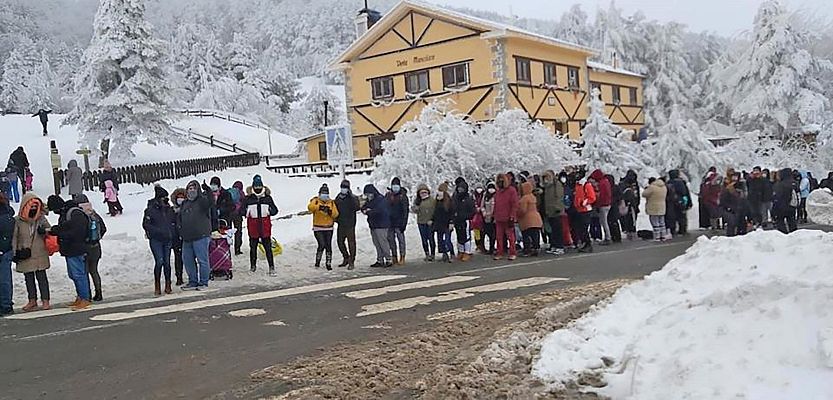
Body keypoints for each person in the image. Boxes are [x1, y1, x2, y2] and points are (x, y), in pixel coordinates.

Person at [46, 195, 92, 310]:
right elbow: (66, 227)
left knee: (79, 274)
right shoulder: (67, 213)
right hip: (70, 249)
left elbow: (76, 232)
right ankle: (81, 297)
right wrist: (54, 231)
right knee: (74, 275)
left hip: (76, 249)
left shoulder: (74, 213)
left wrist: (60, 235)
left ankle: (85, 298)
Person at [12, 192, 51, 311]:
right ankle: (32, 300)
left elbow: (50, 231)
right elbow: (14, 237)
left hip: (39, 253)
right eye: (31, 206)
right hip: (25, 253)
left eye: (35, 206)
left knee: (42, 277)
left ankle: (45, 300)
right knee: (28, 278)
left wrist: (44, 231)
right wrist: (15, 253)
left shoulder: (41, 218)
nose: (33, 209)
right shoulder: (18, 221)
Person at [178, 180, 214, 289]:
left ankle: (203, 282)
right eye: (190, 188)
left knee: (202, 260)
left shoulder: (202, 201)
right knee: (187, 260)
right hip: (187, 237)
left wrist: (208, 190)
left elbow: (210, 203)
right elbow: (180, 218)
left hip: (201, 235)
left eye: (194, 188)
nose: (192, 190)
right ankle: (192, 281)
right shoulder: (185, 203)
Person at [143, 186, 176, 295]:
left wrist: (172, 233)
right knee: (159, 261)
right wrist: (158, 231)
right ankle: (157, 285)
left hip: (167, 239)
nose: (165, 200)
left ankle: (168, 284)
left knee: (167, 262)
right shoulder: (150, 210)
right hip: (156, 240)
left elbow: (173, 222)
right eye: (163, 198)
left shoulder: (169, 210)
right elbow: (146, 224)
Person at [245, 175, 278, 275]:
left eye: (259, 187)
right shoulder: (249, 198)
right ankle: (253, 266)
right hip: (253, 227)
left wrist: (269, 210)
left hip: (265, 227)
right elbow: (241, 211)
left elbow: (275, 210)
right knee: (253, 248)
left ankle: (271, 267)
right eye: (256, 187)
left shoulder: (267, 198)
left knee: (268, 248)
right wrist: (246, 211)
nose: (258, 189)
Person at [75, 194, 106, 301]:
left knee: (85, 272)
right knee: (94, 271)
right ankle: (99, 292)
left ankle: (86, 294)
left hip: (85, 247)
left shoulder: (79, 214)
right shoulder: (94, 214)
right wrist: (97, 238)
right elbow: (103, 228)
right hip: (96, 247)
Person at [308, 184, 339, 270]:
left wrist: (329, 211)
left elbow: (336, 214)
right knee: (321, 244)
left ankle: (328, 263)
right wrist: (320, 207)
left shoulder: (331, 202)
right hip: (318, 227)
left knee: (328, 245)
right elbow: (310, 208)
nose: (324, 195)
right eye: (323, 193)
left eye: (326, 193)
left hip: (329, 227)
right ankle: (317, 261)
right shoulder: (315, 201)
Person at [362, 184, 392, 267]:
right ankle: (380, 259)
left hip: (381, 225)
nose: (368, 196)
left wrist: (368, 211)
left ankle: (388, 259)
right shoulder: (369, 201)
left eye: (369, 194)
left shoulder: (380, 199)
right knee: (377, 243)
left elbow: (379, 211)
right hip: (373, 225)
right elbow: (363, 207)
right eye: (366, 194)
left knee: (383, 243)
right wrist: (366, 210)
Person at [493, 174, 519, 261]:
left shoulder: (511, 191)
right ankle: (499, 252)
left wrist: (512, 216)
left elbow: (514, 204)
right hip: (498, 218)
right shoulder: (497, 192)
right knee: (499, 236)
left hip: (508, 217)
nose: (500, 182)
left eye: (502, 181)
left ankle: (512, 252)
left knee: (510, 236)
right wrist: (494, 215)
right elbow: (496, 205)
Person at [334, 180, 360, 269]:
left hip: (350, 224)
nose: (343, 189)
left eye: (345, 187)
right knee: (340, 242)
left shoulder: (352, 198)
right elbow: (335, 208)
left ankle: (352, 261)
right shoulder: (338, 197)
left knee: (351, 243)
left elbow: (357, 207)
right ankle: (346, 257)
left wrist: (351, 196)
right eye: (342, 187)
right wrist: (336, 219)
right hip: (341, 223)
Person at [540, 170, 565, 255]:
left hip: (555, 210)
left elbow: (559, 196)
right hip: (549, 210)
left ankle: (560, 246)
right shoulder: (547, 186)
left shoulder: (556, 184)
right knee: (552, 230)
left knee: (557, 229)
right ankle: (554, 245)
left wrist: (558, 207)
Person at [452, 177, 475, 261]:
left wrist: (466, 216)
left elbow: (472, 210)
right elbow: (453, 208)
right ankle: (461, 251)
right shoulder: (455, 198)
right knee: (459, 236)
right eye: (459, 189)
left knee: (466, 236)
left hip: (465, 220)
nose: (460, 190)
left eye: (462, 189)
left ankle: (467, 252)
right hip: (457, 220)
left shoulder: (468, 198)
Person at [386, 177, 408, 265]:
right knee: (391, 240)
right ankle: (394, 256)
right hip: (390, 222)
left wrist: (404, 223)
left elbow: (405, 211)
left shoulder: (403, 196)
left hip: (400, 222)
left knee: (401, 240)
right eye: (393, 185)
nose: (395, 187)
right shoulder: (388, 195)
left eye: (396, 185)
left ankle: (402, 256)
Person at [412, 184, 436, 262]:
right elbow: (414, 210)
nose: (423, 194)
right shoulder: (418, 201)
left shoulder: (432, 200)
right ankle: (427, 254)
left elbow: (436, 211)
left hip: (430, 222)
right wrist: (415, 208)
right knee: (424, 239)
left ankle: (432, 254)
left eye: (425, 192)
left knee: (431, 239)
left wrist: (432, 220)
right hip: (421, 222)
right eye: (421, 193)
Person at [573, 170, 597, 252]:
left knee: (584, 228)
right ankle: (585, 243)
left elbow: (592, 197)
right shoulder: (578, 185)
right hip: (579, 210)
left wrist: (583, 203)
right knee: (580, 228)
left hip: (586, 210)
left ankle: (588, 244)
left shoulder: (586, 185)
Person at [518, 181, 543, 257]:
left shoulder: (524, 198)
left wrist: (518, 215)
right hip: (536, 218)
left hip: (527, 219)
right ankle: (536, 248)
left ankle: (527, 249)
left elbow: (523, 210)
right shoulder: (533, 197)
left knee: (526, 235)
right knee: (535, 234)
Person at [0, 194, 15, 317]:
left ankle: (5, 305)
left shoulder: (4, 216)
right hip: (5, 250)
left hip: (4, 251)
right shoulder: (6, 213)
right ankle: (5, 304)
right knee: (4, 279)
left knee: (4, 279)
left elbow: (6, 236)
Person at [432, 182, 454, 263]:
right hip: (439, 223)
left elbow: (451, 212)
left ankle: (451, 253)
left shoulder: (448, 201)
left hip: (447, 223)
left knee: (447, 240)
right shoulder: (437, 201)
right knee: (440, 240)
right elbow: (435, 212)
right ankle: (444, 254)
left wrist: (451, 222)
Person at [589, 169, 612, 245]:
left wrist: (598, 204)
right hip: (607, 204)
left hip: (603, 205)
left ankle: (607, 237)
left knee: (604, 222)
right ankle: (608, 236)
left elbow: (601, 196)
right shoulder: (606, 181)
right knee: (605, 221)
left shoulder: (601, 183)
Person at [772, 168, 798, 234]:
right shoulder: (794, 183)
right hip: (792, 206)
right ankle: (794, 234)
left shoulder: (779, 184)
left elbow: (777, 197)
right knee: (791, 221)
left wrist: (774, 209)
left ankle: (784, 235)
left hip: (781, 207)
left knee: (780, 221)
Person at [169, 188, 186, 285]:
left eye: (182, 197)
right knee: (178, 258)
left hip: (187, 236)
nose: (180, 199)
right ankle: (179, 276)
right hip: (176, 238)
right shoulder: (172, 210)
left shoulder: (188, 209)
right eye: (178, 198)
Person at [642, 177, 668, 241]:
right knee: (662, 222)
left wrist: (647, 188)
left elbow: (644, 194)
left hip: (653, 207)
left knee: (655, 222)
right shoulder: (664, 187)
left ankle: (657, 236)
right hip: (662, 206)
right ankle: (663, 236)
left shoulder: (652, 187)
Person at [667, 170, 692, 235]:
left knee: (672, 217)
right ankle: (682, 230)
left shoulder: (668, 183)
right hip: (681, 201)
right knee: (682, 216)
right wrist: (689, 202)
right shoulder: (682, 182)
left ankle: (672, 230)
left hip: (671, 202)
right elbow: (686, 193)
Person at [619, 170, 640, 240]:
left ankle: (631, 231)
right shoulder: (624, 184)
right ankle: (628, 231)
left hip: (633, 203)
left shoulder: (634, 183)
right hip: (628, 204)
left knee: (632, 218)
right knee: (628, 218)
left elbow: (637, 194)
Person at [228, 181, 245, 255]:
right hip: (237, 215)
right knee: (238, 232)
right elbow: (244, 203)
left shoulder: (229, 191)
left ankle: (227, 248)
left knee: (228, 232)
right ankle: (237, 249)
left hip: (229, 214)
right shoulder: (241, 193)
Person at [479, 181, 497, 255]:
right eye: (490, 188)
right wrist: (484, 212)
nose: (491, 190)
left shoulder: (496, 196)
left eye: (492, 188)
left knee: (492, 235)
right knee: (484, 233)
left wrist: (494, 215)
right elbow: (482, 206)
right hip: (485, 217)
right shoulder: (485, 196)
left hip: (493, 218)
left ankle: (492, 248)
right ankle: (483, 248)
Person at [606, 174, 623, 243]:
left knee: (612, 222)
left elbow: (619, 196)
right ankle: (615, 236)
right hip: (614, 206)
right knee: (613, 222)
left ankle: (616, 236)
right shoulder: (615, 187)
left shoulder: (612, 187)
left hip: (613, 206)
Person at [471, 183, 486, 253]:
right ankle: (478, 245)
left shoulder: (484, 195)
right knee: (476, 232)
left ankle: (482, 245)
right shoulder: (473, 196)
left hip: (483, 216)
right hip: (475, 218)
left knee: (482, 232)